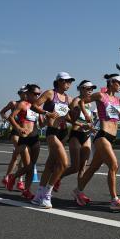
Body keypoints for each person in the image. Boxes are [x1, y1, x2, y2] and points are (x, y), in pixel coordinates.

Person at [73, 74, 120, 211]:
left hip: (111, 137)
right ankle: (114, 200)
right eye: (119, 83)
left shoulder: (117, 100)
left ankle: (78, 191)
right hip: (102, 136)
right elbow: (81, 101)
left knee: (94, 167)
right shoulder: (100, 95)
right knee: (114, 165)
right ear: (112, 82)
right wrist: (86, 115)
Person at [30, 73, 74, 208]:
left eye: (70, 81)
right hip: (52, 132)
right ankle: (47, 194)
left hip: (63, 133)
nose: (68, 84)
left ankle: (38, 195)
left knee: (50, 165)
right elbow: (34, 106)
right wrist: (46, 113)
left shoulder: (68, 98)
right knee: (64, 163)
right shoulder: (50, 93)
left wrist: (82, 123)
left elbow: (68, 117)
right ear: (59, 81)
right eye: (66, 81)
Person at [55, 80, 97, 192]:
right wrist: (81, 124)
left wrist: (91, 126)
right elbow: (69, 117)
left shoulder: (90, 103)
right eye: (88, 88)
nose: (91, 91)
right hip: (76, 135)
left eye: (92, 89)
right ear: (81, 89)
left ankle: (79, 191)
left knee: (83, 167)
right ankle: (57, 177)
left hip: (86, 135)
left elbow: (88, 119)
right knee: (75, 167)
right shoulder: (76, 101)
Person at [6, 84, 42, 200]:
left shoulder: (37, 106)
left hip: (35, 137)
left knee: (32, 166)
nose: (37, 96)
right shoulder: (22, 104)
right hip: (24, 139)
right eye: (35, 94)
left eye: (39, 94)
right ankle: (13, 177)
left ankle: (26, 190)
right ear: (29, 94)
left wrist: (46, 119)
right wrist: (18, 128)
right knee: (28, 166)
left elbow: (41, 124)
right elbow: (11, 117)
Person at [1, 86, 28, 190]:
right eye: (23, 93)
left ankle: (11, 178)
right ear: (19, 94)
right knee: (21, 153)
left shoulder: (30, 105)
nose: (25, 95)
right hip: (15, 132)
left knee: (17, 156)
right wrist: (9, 119)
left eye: (27, 93)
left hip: (26, 133)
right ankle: (17, 180)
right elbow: (3, 112)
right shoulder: (14, 103)